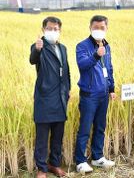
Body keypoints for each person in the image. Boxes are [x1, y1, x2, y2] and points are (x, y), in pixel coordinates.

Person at [30, 16, 71, 178]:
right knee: (42, 136)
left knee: (57, 135)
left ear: (59, 31)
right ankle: (41, 168)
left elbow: (66, 71)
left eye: (56, 29)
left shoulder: (63, 49)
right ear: (43, 30)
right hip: (45, 97)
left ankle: (54, 164)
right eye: (49, 29)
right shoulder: (39, 46)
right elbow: (33, 60)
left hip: (60, 97)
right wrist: (37, 49)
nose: (53, 31)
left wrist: (68, 89)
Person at [75, 15, 116, 173]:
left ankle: (98, 157)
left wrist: (111, 88)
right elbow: (82, 65)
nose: (99, 30)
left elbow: (109, 68)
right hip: (89, 95)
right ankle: (80, 161)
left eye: (102, 27)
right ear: (90, 28)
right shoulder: (82, 46)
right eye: (95, 27)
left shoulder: (107, 46)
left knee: (100, 127)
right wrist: (96, 55)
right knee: (85, 128)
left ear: (106, 28)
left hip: (103, 94)